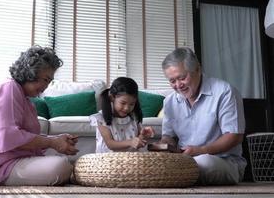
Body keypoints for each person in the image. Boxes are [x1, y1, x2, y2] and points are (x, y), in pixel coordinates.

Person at [0, 45, 79, 186]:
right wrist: (53, 142)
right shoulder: (9, 88)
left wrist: (57, 140)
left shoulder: (25, 98)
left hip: (16, 159)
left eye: (50, 81)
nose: (47, 86)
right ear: (31, 72)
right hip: (1, 165)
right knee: (61, 166)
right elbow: (10, 136)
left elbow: (24, 137)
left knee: (65, 164)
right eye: (46, 79)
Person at [160, 47, 247, 185]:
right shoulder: (169, 102)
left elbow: (234, 136)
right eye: (172, 81)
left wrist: (201, 151)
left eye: (182, 78)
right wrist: (165, 145)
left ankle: (179, 176)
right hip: (184, 161)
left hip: (223, 161)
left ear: (198, 70)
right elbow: (168, 136)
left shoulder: (224, 92)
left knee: (203, 162)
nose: (178, 85)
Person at [90, 77, 155, 153]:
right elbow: (110, 144)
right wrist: (130, 142)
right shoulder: (101, 119)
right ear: (112, 98)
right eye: (123, 103)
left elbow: (138, 141)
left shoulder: (134, 117)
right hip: (108, 161)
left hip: (130, 161)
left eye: (131, 104)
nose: (127, 108)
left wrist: (143, 136)